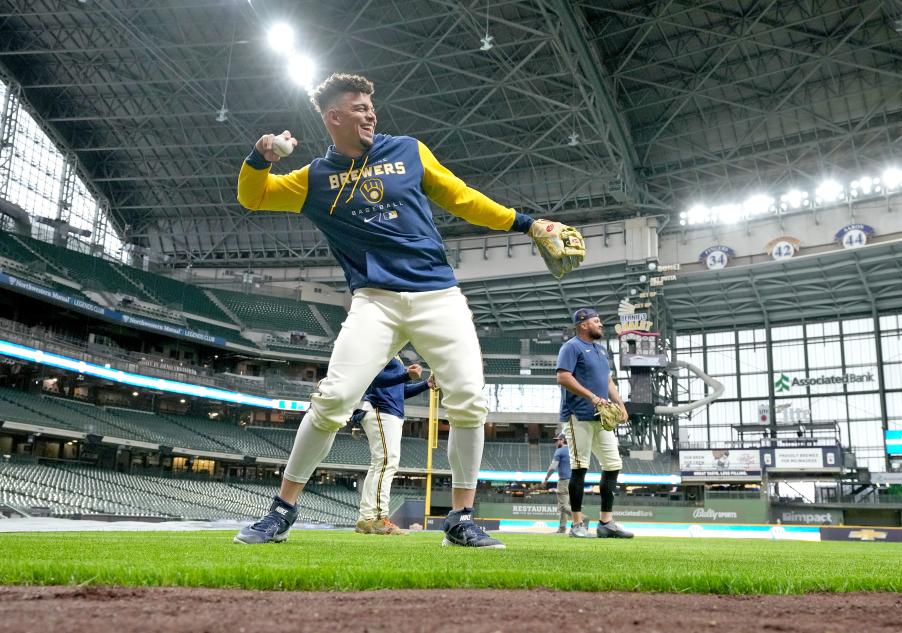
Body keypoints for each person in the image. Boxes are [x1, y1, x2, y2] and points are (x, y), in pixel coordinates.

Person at [233, 73, 584, 548]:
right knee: (334, 399)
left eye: (371, 106)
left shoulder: (409, 151)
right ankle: (281, 509)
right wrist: (260, 159)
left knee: (469, 400)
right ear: (334, 117)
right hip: (374, 301)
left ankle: (460, 518)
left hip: (438, 294)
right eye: (358, 107)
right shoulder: (313, 178)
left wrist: (525, 223)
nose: (370, 113)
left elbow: (462, 198)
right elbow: (252, 196)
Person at [556, 308, 633, 539]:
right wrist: (591, 396)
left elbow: (607, 379)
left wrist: (620, 403)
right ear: (582, 325)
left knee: (613, 464)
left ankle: (606, 522)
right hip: (577, 414)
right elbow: (562, 376)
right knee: (579, 466)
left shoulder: (600, 350)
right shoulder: (571, 347)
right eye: (596, 321)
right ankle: (577, 524)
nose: (600, 324)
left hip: (601, 417)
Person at [353, 357, 431, 535]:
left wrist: (426, 384)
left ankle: (366, 519)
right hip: (381, 409)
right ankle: (381, 519)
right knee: (387, 463)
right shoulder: (384, 347)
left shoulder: (394, 354)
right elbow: (374, 379)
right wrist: (406, 375)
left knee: (379, 464)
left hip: (388, 411)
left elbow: (400, 391)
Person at [542, 432, 573, 533]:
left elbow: (552, 467)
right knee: (563, 505)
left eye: (557, 440)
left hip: (564, 481)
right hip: (573, 481)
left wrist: (546, 479)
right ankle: (562, 528)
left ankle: (580, 518)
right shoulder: (572, 450)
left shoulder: (559, 451)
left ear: (563, 440)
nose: (555, 442)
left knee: (562, 506)